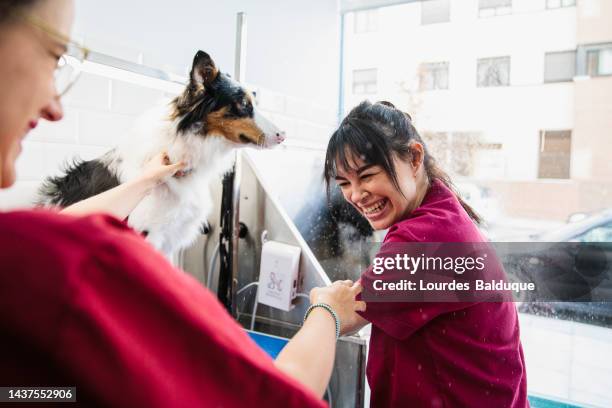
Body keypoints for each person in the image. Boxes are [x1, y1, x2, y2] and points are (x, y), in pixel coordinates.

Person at [0, 1, 366, 406]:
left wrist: (147, 179)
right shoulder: (72, 262)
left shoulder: (26, 250)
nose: (56, 106)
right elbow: (280, 400)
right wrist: (328, 312)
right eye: (55, 59)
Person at [321, 100, 528, 407]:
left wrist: (321, 304)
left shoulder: (425, 239)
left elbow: (342, 315)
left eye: (366, 176)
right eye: (344, 183)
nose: (355, 195)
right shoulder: (439, 210)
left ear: (414, 158)